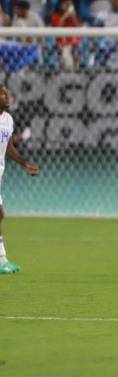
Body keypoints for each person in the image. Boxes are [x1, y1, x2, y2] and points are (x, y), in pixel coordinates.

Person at [0, 86, 41, 275]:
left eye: (7, 93)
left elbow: (8, 147)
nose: (7, 96)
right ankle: (2, 260)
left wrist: (24, 163)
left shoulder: (8, 120)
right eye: (2, 93)